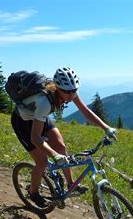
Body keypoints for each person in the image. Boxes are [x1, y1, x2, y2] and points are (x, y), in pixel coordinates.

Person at [10, 67, 117, 208]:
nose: (72, 95)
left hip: (39, 118)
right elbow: (36, 138)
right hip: (23, 123)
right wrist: (54, 155)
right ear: (58, 88)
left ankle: (71, 184)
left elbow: (86, 111)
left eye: (74, 90)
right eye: (67, 92)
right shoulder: (44, 102)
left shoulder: (70, 93)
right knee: (41, 162)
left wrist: (106, 127)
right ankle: (34, 193)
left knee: (61, 147)